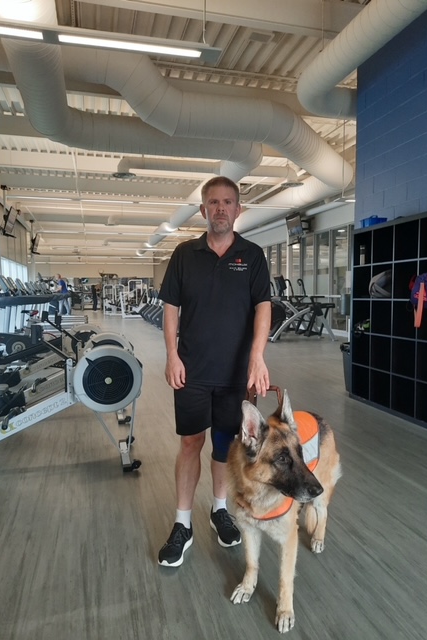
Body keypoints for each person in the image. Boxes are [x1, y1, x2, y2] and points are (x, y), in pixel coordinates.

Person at [157, 176, 272, 568]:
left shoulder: (253, 256)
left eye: (228, 202)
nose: (220, 208)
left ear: (238, 210)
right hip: (191, 370)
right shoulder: (184, 255)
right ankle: (182, 523)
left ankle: (219, 509)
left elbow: (263, 308)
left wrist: (257, 357)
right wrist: (172, 355)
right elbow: (170, 308)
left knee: (226, 447)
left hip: (235, 376)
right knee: (191, 444)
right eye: (213, 202)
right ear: (203, 210)